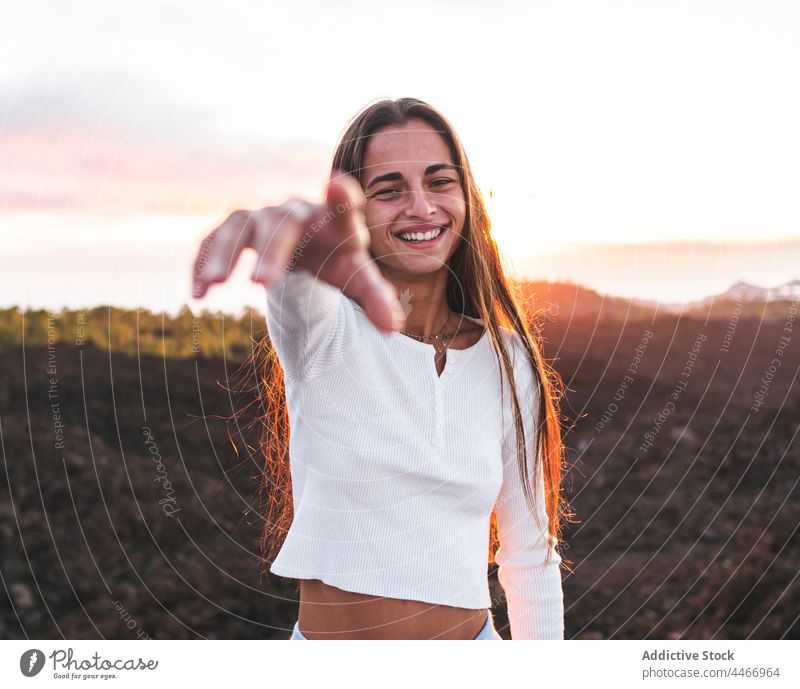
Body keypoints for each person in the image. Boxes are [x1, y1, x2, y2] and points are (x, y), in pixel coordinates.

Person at [191, 97, 573, 640]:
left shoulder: (509, 361)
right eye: (388, 190)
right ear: (354, 210)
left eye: (439, 181)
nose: (420, 207)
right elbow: (296, 287)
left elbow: (530, 554)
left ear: (467, 198)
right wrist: (297, 241)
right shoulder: (324, 333)